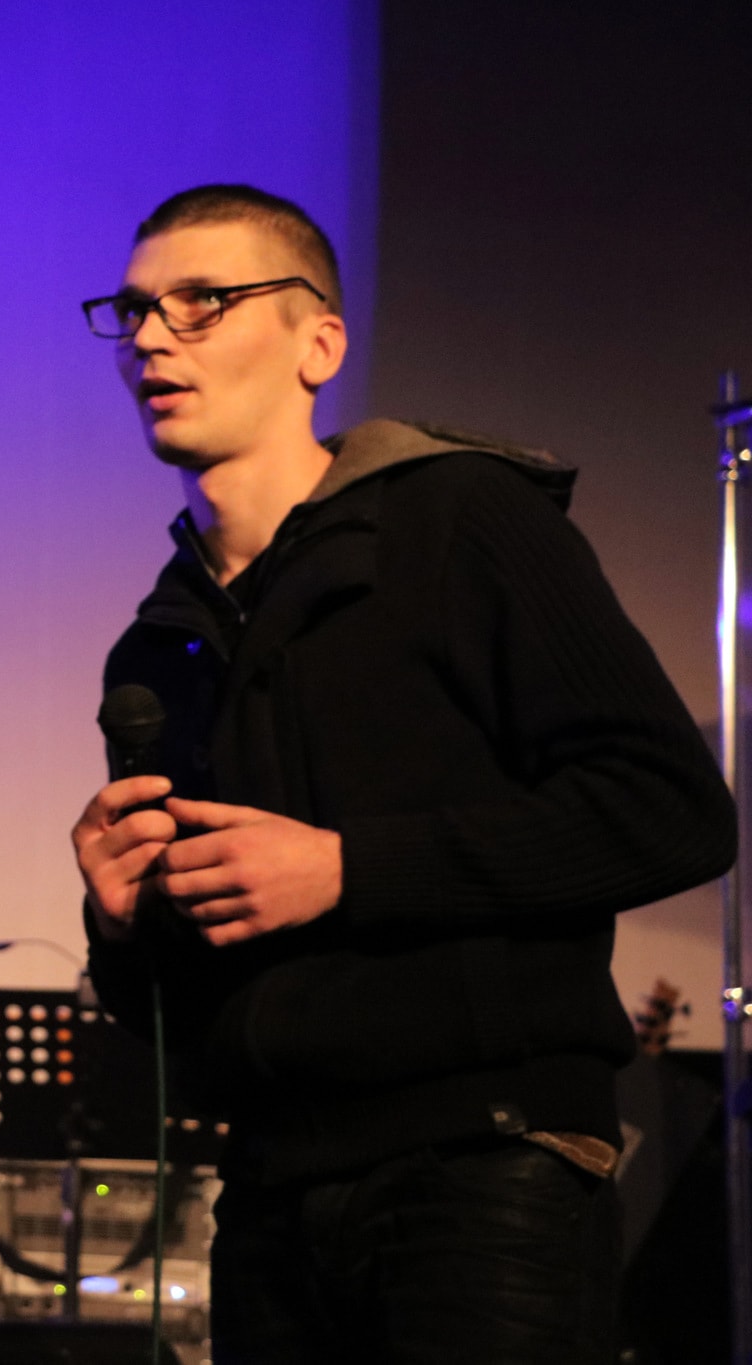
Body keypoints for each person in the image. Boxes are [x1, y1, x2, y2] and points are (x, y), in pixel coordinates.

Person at [69, 184, 736, 1363]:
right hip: (269, 1191)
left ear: (317, 344)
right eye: (133, 312)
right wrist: (120, 924)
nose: (153, 338)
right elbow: (179, 999)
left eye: (202, 302)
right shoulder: (158, 648)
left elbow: (670, 810)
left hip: (485, 1163)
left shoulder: (458, 521)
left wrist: (346, 869)